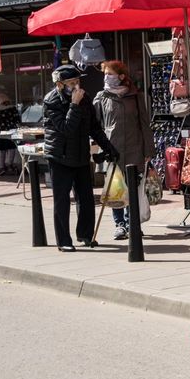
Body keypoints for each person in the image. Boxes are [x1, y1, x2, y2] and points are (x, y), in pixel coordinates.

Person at [42, 64, 118, 252]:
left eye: (78, 81)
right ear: (60, 84)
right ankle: (64, 240)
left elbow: (94, 127)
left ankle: (85, 234)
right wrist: (74, 105)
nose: (76, 85)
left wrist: (109, 148)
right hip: (60, 156)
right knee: (62, 200)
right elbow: (66, 128)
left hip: (81, 155)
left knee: (86, 198)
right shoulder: (51, 101)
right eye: (71, 82)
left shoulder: (84, 99)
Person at [92, 60, 155, 240]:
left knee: (133, 188)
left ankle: (132, 222)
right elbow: (95, 125)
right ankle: (119, 224)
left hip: (135, 147)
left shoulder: (135, 95)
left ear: (121, 76)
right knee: (116, 188)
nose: (106, 77)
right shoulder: (101, 97)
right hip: (113, 149)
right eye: (105, 74)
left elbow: (144, 124)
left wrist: (148, 150)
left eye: (110, 74)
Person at [0, 89, 21, 176]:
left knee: (2, 150)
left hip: (1, 132)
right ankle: (10, 165)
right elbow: (17, 120)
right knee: (12, 149)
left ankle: (2, 167)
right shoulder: (12, 109)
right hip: (11, 131)